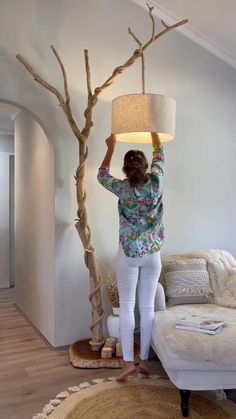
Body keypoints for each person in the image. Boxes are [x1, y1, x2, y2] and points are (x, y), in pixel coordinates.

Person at [97, 132, 164, 381]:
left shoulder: (122, 188)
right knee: (147, 308)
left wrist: (111, 146)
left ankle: (128, 362)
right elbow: (160, 154)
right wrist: (154, 133)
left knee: (127, 307)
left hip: (128, 253)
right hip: (152, 254)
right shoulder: (156, 182)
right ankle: (144, 360)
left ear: (125, 170)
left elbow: (101, 175)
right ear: (146, 166)